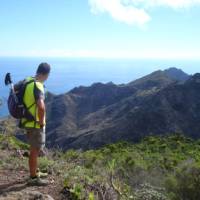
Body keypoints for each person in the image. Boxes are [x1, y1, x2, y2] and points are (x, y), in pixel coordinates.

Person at [15, 63, 51, 186]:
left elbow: (15, 89)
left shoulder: (28, 80)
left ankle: (35, 171)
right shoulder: (38, 85)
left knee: (33, 149)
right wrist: (41, 123)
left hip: (27, 120)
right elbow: (41, 107)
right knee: (35, 151)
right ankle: (33, 177)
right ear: (46, 74)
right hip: (35, 124)